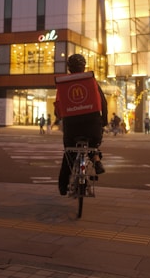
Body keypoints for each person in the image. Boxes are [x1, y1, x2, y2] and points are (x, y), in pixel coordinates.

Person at [55, 54, 108, 196]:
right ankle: (96, 160)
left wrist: (60, 117)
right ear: (84, 66)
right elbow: (103, 102)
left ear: (69, 68)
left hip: (72, 127)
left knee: (69, 154)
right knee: (93, 145)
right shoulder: (91, 81)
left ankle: (62, 186)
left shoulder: (64, 83)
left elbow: (58, 107)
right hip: (93, 124)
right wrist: (104, 121)